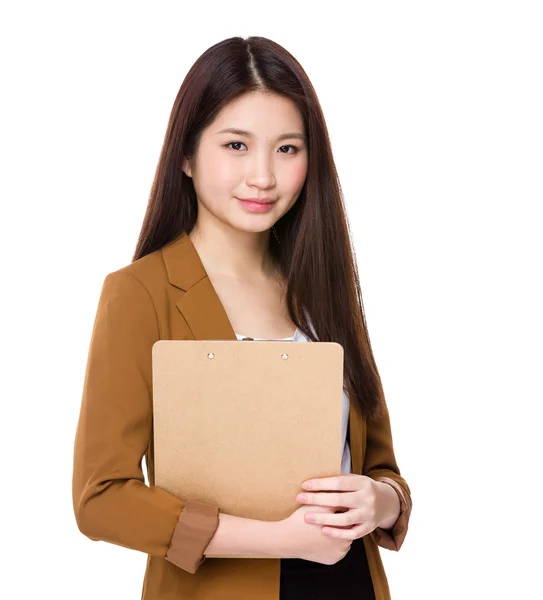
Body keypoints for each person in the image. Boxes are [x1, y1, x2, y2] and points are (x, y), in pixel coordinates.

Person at [72, 35, 412, 600]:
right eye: (235, 145)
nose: (263, 176)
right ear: (186, 154)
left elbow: (380, 464)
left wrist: (384, 500)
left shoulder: (324, 289)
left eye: (287, 149)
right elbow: (101, 498)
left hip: (350, 583)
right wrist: (279, 537)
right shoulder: (139, 293)